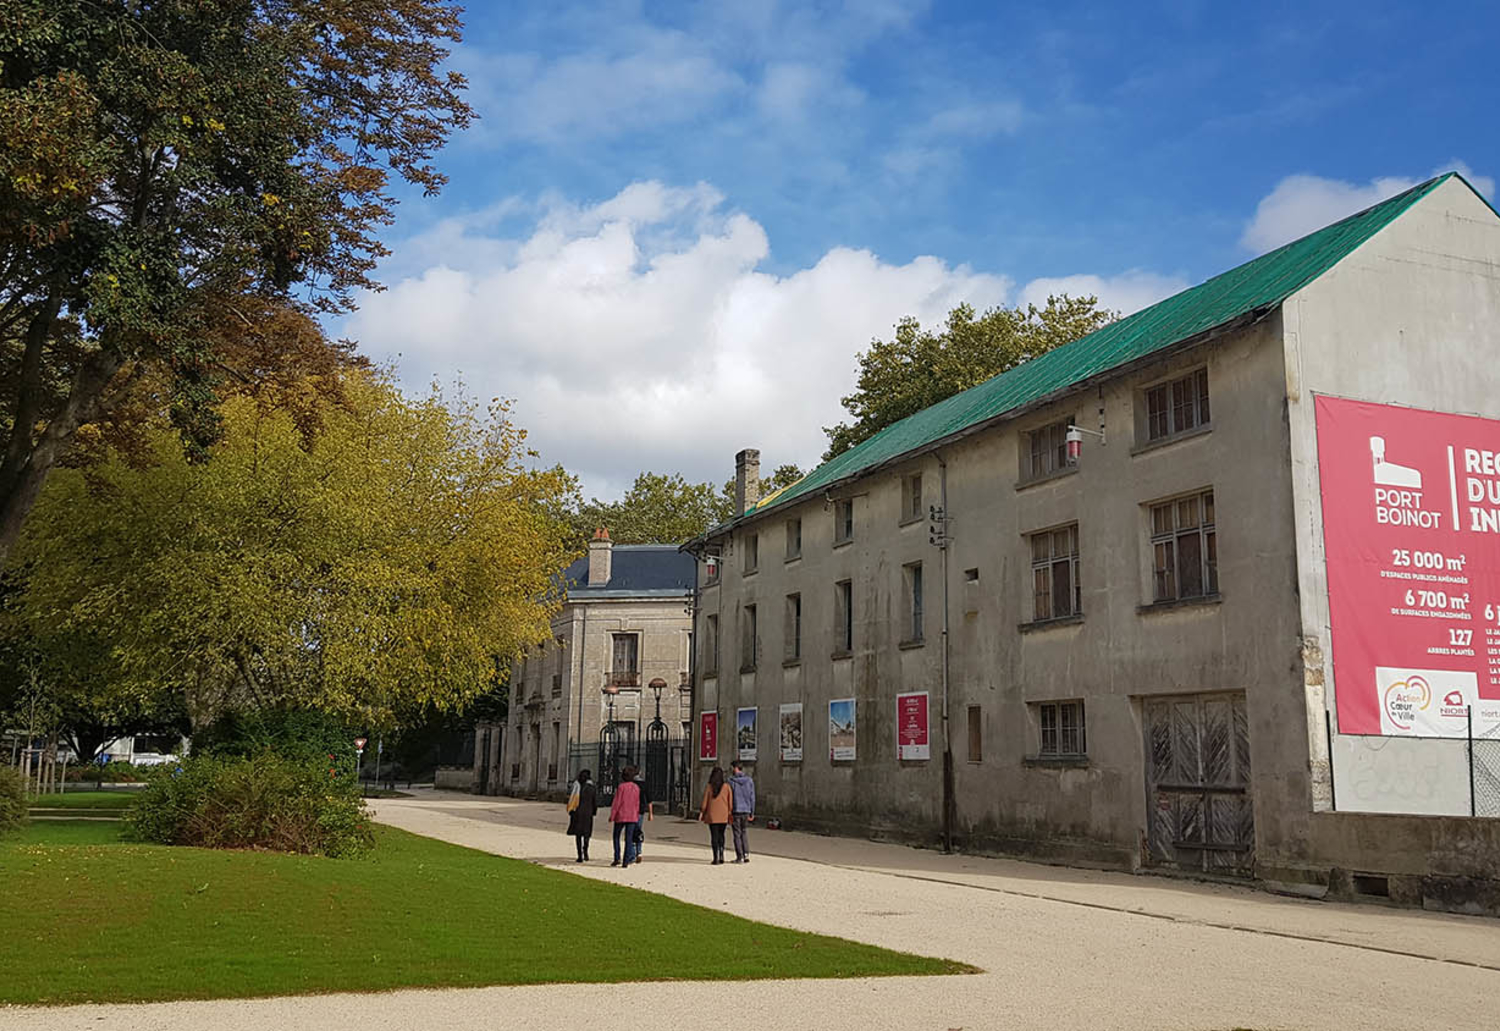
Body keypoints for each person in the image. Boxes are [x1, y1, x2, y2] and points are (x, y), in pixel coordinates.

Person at [699, 765, 733, 864]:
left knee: (714, 836)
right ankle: (722, 854)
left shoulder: (709, 787)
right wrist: (730, 812)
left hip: (712, 815)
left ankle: (715, 857)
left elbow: (705, 802)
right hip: (723, 815)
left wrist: (702, 812)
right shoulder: (727, 787)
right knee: (721, 835)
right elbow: (730, 802)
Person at [609, 766, 642, 868]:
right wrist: (636, 815)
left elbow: (617, 802)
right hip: (632, 816)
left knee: (616, 836)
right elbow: (637, 803)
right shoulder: (636, 788)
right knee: (629, 838)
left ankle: (617, 857)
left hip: (621, 815)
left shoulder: (621, 787)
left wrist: (612, 815)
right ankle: (626, 860)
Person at [566, 769, 598, 863]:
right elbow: (595, 802)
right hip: (588, 814)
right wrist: (594, 812)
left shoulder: (577, 787)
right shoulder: (592, 788)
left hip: (577, 813)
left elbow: (571, 799)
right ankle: (586, 852)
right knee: (587, 834)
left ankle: (579, 855)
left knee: (578, 835)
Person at [728, 761, 756, 863]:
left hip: (736, 810)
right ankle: (746, 854)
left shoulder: (731, 781)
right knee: (744, 832)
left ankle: (739, 856)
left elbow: (729, 797)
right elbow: (752, 797)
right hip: (746, 810)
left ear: (735, 768)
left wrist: (729, 811)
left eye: (731, 768)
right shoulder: (749, 781)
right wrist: (752, 812)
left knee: (737, 833)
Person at [632, 768, 654, 863]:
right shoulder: (644, 784)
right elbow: (649, 800)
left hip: (631, 810)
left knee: (631, 831)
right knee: (638, 830)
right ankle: (639, 851)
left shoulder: (630, 784)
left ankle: (632, 852)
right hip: (640, 810)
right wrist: (650, 813)